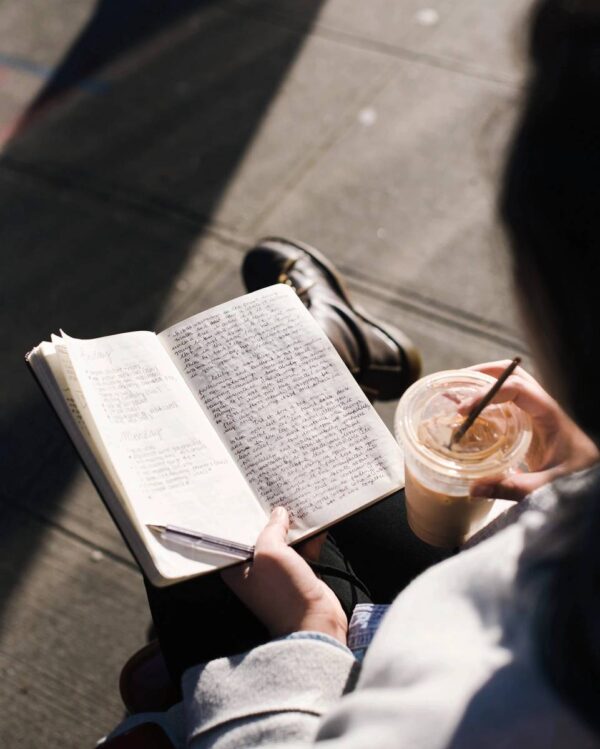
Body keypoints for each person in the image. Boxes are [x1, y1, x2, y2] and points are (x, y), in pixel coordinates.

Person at [108, 1, 600, 746]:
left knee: (207, 533)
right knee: (301, 487)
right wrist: (577, 483)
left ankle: (336, 346)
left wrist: (305, 635)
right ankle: (334, 348)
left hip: (338, 664)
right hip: (455, 590)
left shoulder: (484, 715)